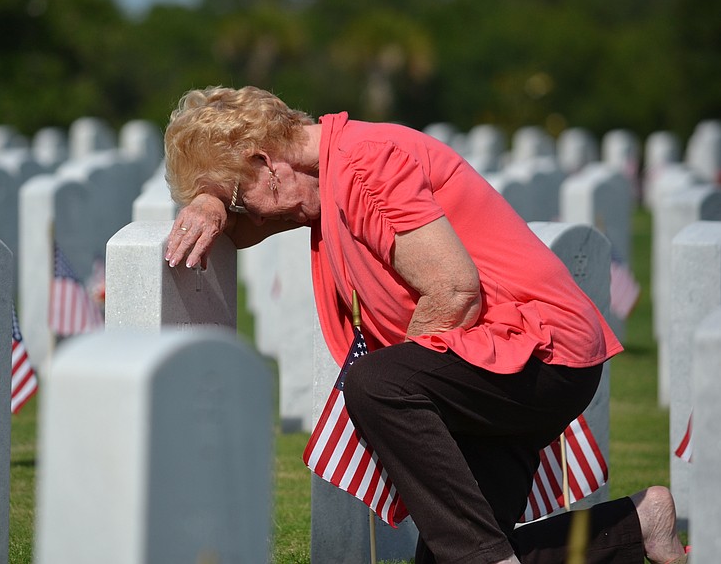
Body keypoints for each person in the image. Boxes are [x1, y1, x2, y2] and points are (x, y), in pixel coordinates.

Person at [162, 85, 689, 564]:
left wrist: (414, 390)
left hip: (535, 350)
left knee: (378, 384)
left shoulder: (364, 165)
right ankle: (637, 524)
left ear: (265, 161)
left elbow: (453, 291)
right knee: (449, 558)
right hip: (500, 353)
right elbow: (248, 227)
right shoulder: (325, 173)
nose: (246, 221)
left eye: (237, 201)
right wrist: (212, 199)